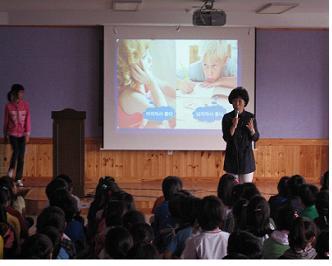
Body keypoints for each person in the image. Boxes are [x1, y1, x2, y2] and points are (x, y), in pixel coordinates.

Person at [117, 40, 176, 128]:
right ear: (129, 66)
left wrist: (182, 89)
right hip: (135, 140)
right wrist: (151, 82)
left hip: (148, 130)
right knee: (160, 124)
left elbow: (165, 86)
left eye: (149, 53)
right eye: (144, 56)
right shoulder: (130, 96)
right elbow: (163, 116)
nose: (150, 59)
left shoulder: (142, 81)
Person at [222, 87, 259, 183]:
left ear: (245, 102)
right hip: (231, 159)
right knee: (231, 188)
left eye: (240, 101)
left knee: (246, 189)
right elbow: (226, 138)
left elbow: (256, 138)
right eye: (234, 101)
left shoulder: (250, 117)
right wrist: (233, 126)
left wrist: (252, 130)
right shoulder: (227, 117)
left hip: (246, 159)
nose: (237, 104)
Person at [3, 84, 31, 187]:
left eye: (23, 92)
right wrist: (5, 134)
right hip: (12, 134)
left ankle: (18, 178)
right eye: (20, 92)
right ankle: (10, 171)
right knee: (16, 151)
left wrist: (27, 133)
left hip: (22, 134)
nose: (22, 94)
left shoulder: (26, 105)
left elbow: (28, 120)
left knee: (21, 156)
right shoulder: (8, 106)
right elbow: (6, 121)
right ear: (15, 93)